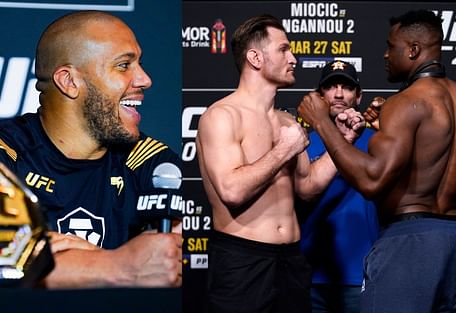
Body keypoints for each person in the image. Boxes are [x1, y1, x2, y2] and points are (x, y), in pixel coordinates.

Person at [298, 9, 456, 313]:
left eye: (390, 46)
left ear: (413, 50)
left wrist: (321, 122)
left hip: (411, 242)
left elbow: (373, 181)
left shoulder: (406, 102)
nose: (384, 54)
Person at [0, 11, 182, 288]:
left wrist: (87, 260)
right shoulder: (8, 151)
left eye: (139, 64)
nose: (145, 80)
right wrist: (121, 265)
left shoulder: (154, 164)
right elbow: (6, 260)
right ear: (69, 81)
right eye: (124, 66)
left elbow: (183, 262)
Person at [196, 14, 363, 313]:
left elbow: (307, 187)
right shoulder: (222, 116)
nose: (294, 58)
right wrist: (284, 150)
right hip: (243, 263)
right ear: (255, 58)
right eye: (284, 49)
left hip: (292, 261)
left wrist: (344, 141)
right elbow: (232, 190)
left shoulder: (287, 122)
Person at [298, 60, 380, 313]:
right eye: (331, 86)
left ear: (358, 96)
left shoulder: (378, 141)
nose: (339, 94)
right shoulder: (300, 142)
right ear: (320, 96)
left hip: (361, 274)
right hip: (311, 274)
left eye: (346, 87)